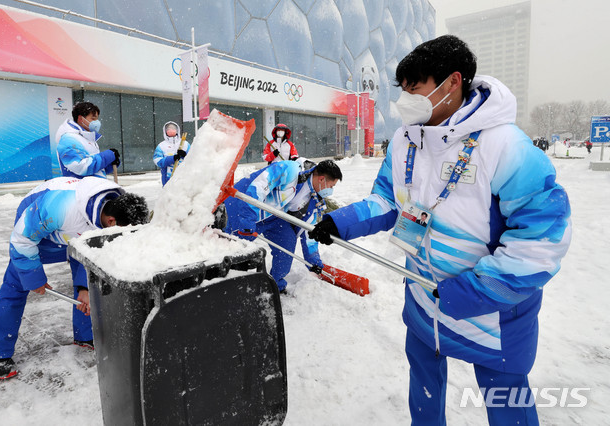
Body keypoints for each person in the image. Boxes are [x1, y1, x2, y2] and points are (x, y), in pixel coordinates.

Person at [309, 35, 571, 425]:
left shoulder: (505, 146)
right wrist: (340, 222)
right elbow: (387, 201)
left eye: (416, 86)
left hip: (492, 317)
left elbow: (540, 241)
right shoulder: (402, 142)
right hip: (423, 303)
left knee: (508, 406)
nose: (406, 97)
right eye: (403, 88)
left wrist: (468, 294)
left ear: (452, 82)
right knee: (425, 397)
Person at [0, 176, 149, 380]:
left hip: (78, 234)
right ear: (112, 222)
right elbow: (22, 239)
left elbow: (91, 258)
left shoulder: (117, 209)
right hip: (40, 232)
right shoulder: (59, 207)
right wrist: (33, 276)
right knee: (15, 285)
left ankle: (85, 335)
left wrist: (84, 289)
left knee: (90, 283)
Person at [223, 159, 342, 292]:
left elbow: (309, 231)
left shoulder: (315, 200)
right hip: (242, 207)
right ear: (321, 179)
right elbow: (258, 187)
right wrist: (247, 218)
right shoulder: (289, 170)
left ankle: (274, 286)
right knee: (234, 249)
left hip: (273, 216)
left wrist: (314, 262)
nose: (330, 190)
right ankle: (227, 285)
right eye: (331, 186)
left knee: (287, 242)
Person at [55, 101, 120, 179]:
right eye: (93, 118)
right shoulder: (69, 139)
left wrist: (110, 163)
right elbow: (80, 167)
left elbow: (95, 170)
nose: (97, 122)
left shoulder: (88, 138)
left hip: (93, 187)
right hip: (79, 188)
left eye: (97, 119)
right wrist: (106, 156)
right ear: (80, 118)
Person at [153, 121, 191, 186]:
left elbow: (193, 158)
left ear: (177, 130)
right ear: (165, 131)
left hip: (184, 177)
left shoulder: (185, 144)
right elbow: (157, 161)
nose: (171, 130)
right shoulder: (161, 146)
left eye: (173, 128)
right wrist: (172, 159)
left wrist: (185, 155)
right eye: (169, 129)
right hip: (168, 178)